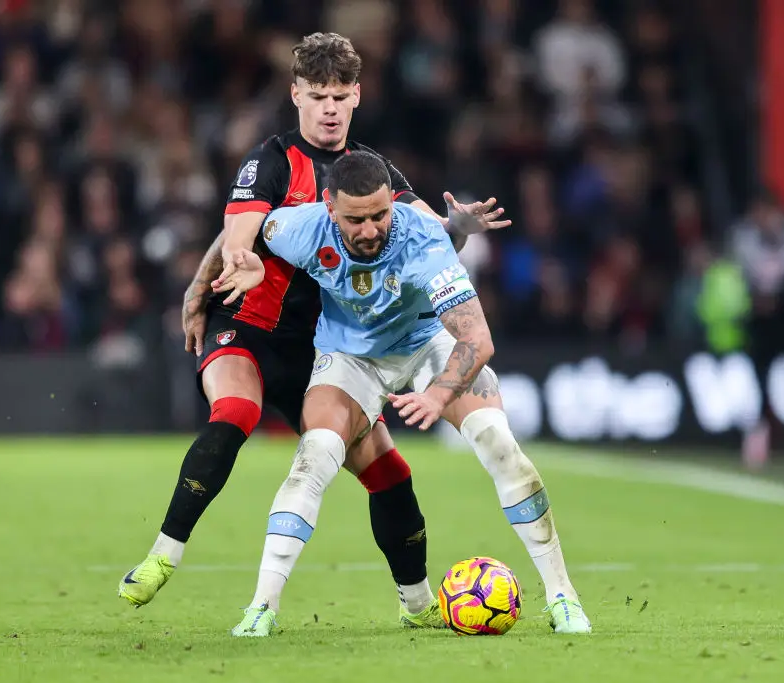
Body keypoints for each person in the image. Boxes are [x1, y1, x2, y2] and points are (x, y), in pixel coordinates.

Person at [118, 33, 509, 628]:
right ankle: (162, 556)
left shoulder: (368, 173)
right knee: (235, 415)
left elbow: (423, 232)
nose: (328, 108)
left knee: (389, 472)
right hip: (247, 329)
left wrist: (457, 226)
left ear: (356, 97)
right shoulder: (269, 162)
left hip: (320, 350)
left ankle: (420, 605)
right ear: (295, 93)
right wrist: (210, 284)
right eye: (317, 95)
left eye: (339, 96)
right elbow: (237, 239)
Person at [215, 151, 592, 637]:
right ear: (329, 207)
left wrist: (437, 396)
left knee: (497, 440)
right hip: (349, 358)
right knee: (316, 454)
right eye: (356, 219)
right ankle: (261, 608)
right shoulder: (296, 229)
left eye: (380, 215)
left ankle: (564, 597)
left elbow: (477, 339)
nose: (371, 229)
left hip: (425, 345)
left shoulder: (423, 238)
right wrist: (221, 280)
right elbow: (243, 229)